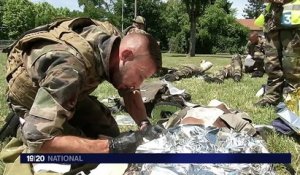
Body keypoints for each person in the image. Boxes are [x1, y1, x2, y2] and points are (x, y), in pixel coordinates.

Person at [1, 17, 164, 174]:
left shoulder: (115, 44)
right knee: (82, 153)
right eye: (141, 75)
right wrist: (112, 147)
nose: (139, 84)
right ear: (126, 55)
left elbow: (129, 89)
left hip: (68, 89)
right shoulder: (68, 70)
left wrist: (144, 125)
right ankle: (22, 123)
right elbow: (40, 141)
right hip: (32, 94)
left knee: (109, 130)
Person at [255, 0, 300, 107]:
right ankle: (271, 97)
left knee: (292, 66)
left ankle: (293, 99)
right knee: (271, 63)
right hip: (272, 23)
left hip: (292, 23)